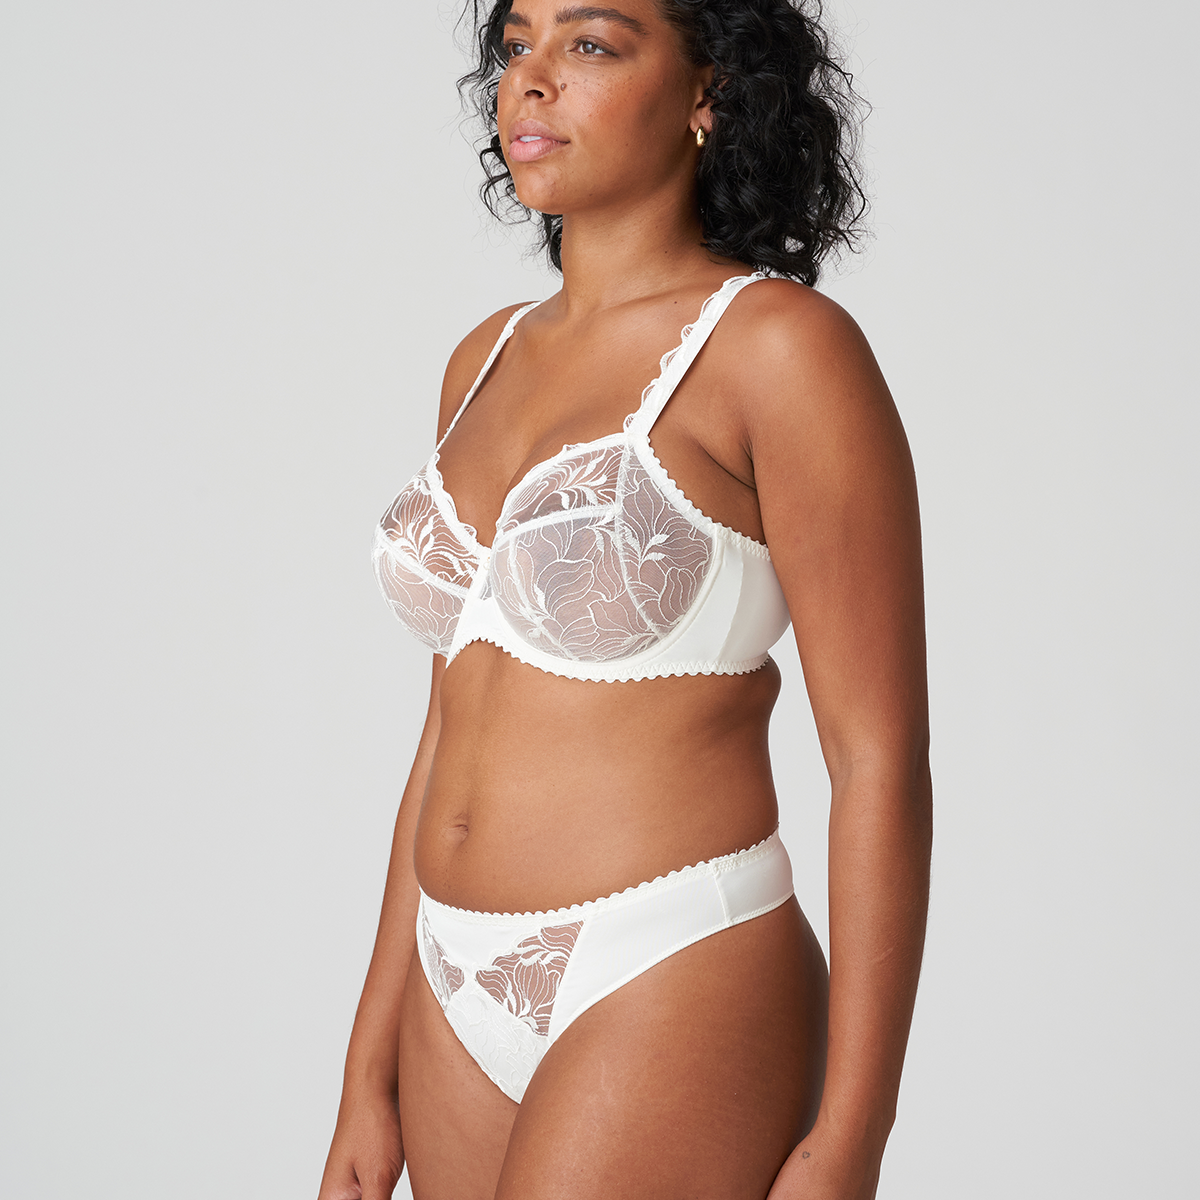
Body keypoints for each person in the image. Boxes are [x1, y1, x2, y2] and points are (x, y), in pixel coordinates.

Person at [318, 0, 931, 1196]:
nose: (532, 78)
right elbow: (445, 731)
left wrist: (853, 1138)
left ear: (709, 93)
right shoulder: (483, 357)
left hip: (670, 959)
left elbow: (879, 758)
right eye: (517, 45)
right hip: (450, 978)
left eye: (590, 44)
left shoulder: (780, 349)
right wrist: (365, 1068)